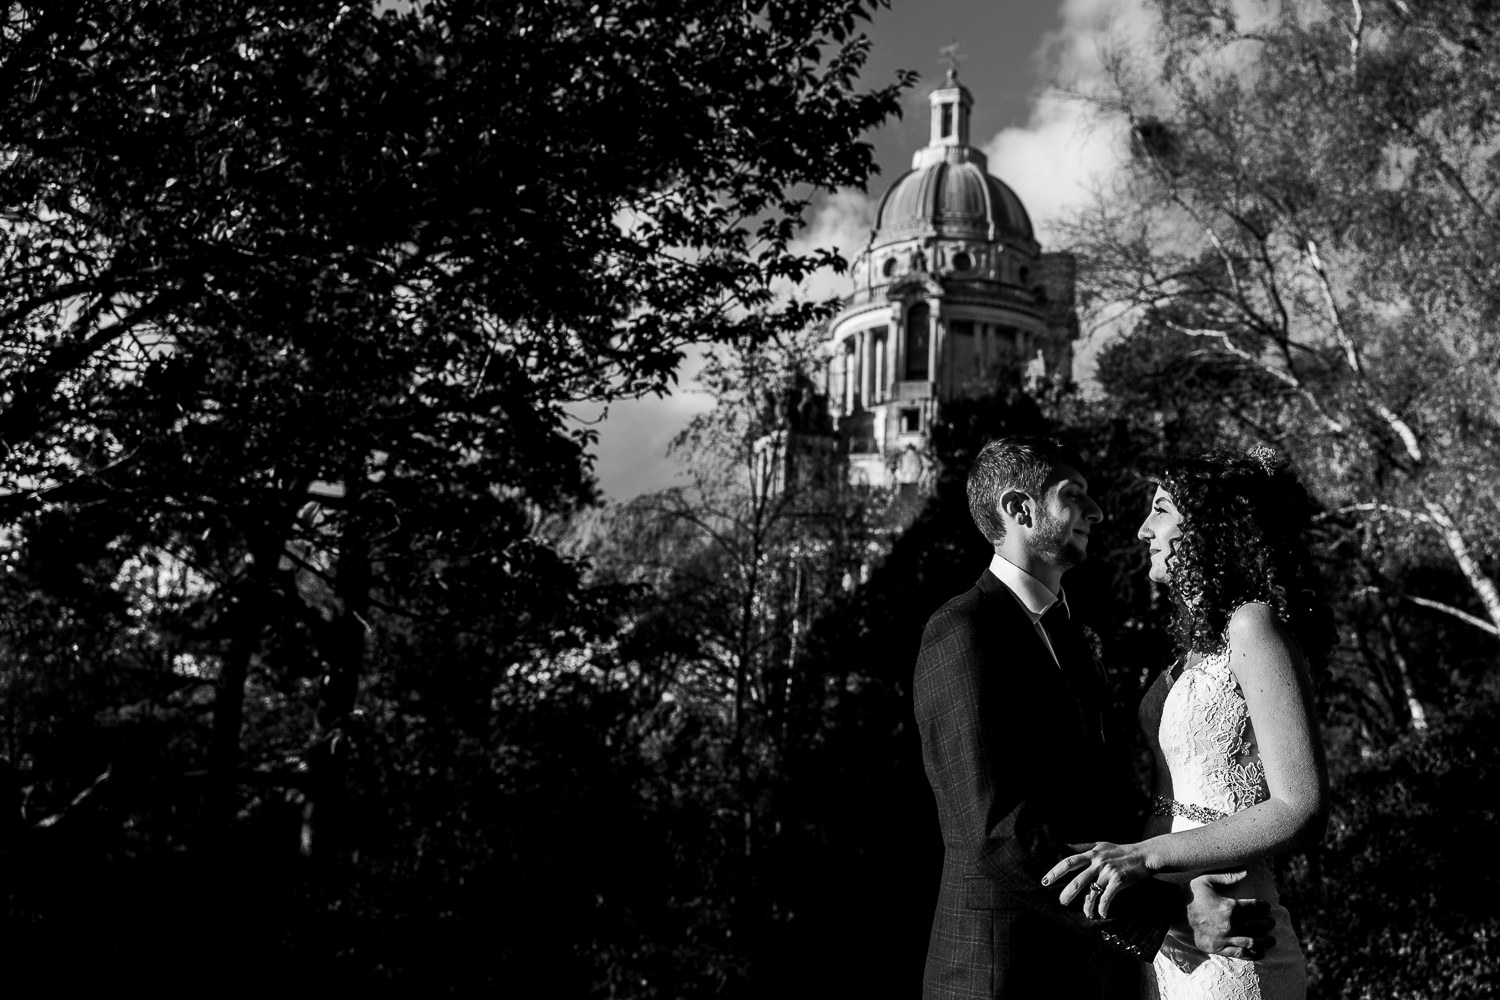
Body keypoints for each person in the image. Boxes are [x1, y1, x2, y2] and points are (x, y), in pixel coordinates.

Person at [914, 436, 1275, 1000]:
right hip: (1002, 972)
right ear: (1020, 510)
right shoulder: (964, 631)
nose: (1099, 510)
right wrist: (1168, 917)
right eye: (1073, 494)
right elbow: (995, 832)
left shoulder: (1075, 641)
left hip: (1096, 968)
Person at [1041, 450, 1332, 999]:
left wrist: (1142, 856)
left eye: (1161, 510)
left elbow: (1302, 808)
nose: (1143, 529)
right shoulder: (1188, 652)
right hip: (1176, 941)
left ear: (1207, 526)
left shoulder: (1253, 625)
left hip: (1238, 942)